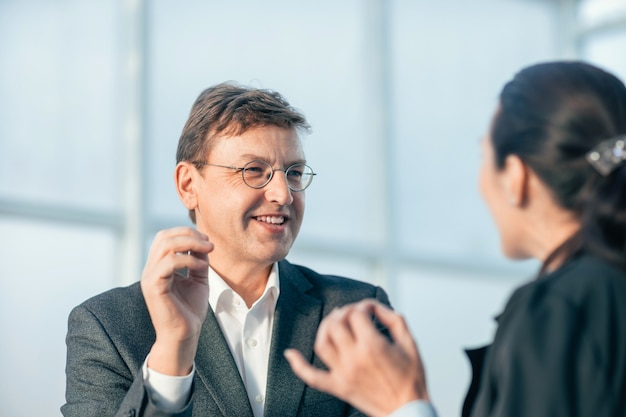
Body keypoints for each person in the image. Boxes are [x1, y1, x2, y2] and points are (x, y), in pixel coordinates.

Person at [285, 60, 626, 417]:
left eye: (484, 155)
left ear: (515, 176)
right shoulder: (602, 291)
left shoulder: (558, 305)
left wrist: (404, 404)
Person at [62, 82, 391, 417]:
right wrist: (173, 350)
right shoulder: (107, 328)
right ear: (188, 185)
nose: (283, 194)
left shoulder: (359, 313)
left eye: (293, 173)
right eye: (254, 171)